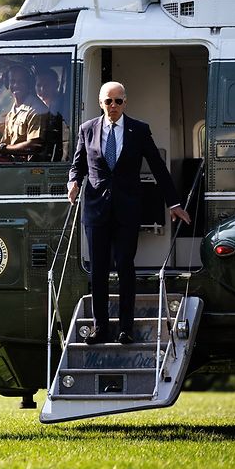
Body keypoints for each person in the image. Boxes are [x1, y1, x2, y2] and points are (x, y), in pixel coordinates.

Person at [67, 81, 191, 345]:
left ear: (125, 102)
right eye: (108, 101)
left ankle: (126, 328)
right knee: (98, 270)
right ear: (100, 103)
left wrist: (174, 203)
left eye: (118, 101)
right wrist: (73, 182)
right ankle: (100, 328)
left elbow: (158, 168)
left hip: (127, 210)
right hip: (96, 210)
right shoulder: (87, 129)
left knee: (125, 266)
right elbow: (77, 165)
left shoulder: (139, 130)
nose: (113, 106)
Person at [0, 63, 49, 161]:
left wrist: (1, 148)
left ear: (29, 84)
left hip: (29, 170)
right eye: (12, 81)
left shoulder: (36, 109)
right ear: (7, 84)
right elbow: (6, 143)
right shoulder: (12, 112)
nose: (16, 85)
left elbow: (34, 146)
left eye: (21, 82)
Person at [35, 66, 69, 161]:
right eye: (38, 85)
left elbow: (66, 140)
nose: (42, 89)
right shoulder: (34, 106)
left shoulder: (64, 107)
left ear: (56, 85)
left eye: (46, 85)